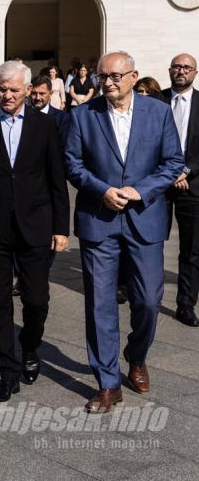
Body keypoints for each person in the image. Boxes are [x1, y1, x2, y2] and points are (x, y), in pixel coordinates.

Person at [64, 51, 183, 413]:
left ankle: (136, 356)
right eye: (103, 77)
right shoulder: (83, 115)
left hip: (144, 220)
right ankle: (108, 383)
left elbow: (173, 163)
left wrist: (140, 190)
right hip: (99, 222)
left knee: (147, 301)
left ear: (134, 76)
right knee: (100, 304)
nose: (108, 83)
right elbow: (72, 163)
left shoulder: (158, 112)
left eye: (116, 76)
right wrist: (102, 190)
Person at [0, 60, 69, 403]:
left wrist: (61, 228)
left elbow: (56, 180)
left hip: (35, 225)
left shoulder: (46, 125)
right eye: (1, 89)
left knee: (37, 300)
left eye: (13, 90)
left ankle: (30, 348)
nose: (7, 95)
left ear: (26, 91)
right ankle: (7, 371)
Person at [162, 53, 199, 327]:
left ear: (195, 73)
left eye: (186, 67)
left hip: (193, 186)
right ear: (170, 70)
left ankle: (186, 304)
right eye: (177, 66)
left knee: (191, 250)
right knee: (148, 242)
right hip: (158, 185)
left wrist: (185, 171)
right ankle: (141, 293)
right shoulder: (155, 102)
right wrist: (171, 173)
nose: (181, 71)